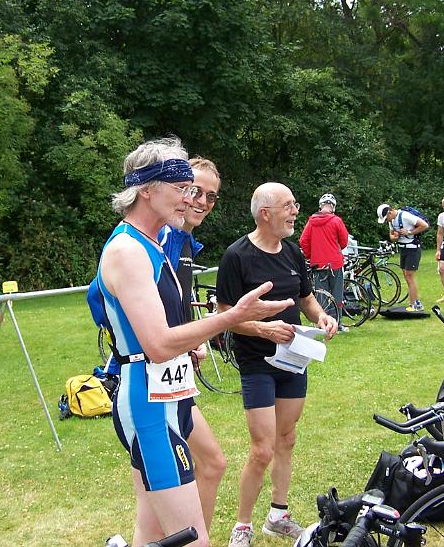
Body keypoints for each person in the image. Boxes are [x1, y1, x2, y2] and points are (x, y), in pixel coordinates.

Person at [97, 138, 293, 547]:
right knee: (193, 540)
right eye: (181, 187)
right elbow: (157, 344)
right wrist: (231, 317)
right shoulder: (128, 250)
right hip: (149, 404)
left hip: (172, 395)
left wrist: (205, 331)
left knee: (152, 533)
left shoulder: (154, 244)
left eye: (196, 190)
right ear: (146, 189)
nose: (190, 199)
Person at [216, 182, 338, 547]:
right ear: (265, 213)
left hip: (294, 359)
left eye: (295, 204)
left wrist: (321, 317)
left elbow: (306, 298)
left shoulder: (292, 252)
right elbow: (224, 316)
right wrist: (263, 330)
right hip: (257, 361)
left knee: (286, 438)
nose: (295, 211)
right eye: (288, 205)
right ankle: (242, 525)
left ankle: (278, 515)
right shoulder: (236, 256)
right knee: (262, 448)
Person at [158, 156, 226, 533]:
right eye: (194, 191)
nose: (201, 201)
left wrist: (194, 335)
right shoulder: (163, 237)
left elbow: (175, 304)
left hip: (174, 376)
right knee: (205, 466)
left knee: (210, 464)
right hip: (154, 381)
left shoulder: (183, 239)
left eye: (211, 197)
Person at [299, 193, 349, 329]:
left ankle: (324, 324)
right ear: (333, 207)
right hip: (335, 264)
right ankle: (337, 324)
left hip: (318, 264)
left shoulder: (311, 222)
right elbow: (344, 241)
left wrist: (311, 255)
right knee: (336, 295)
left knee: (322, 297)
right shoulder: (336, 221)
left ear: (320, 207)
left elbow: (303, 241)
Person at [376, 203, 429, 312]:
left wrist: (409, 232)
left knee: (410, 276)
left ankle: (415, 304)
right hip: (403, 249)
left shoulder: (405, 216)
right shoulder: (392, 221)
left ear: (390, 212)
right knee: (406, 275)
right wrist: (395, 237)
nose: (387, 221)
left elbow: (424, 225)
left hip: (412, 248)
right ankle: (414, 301)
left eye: (387, 218)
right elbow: (392, 236)